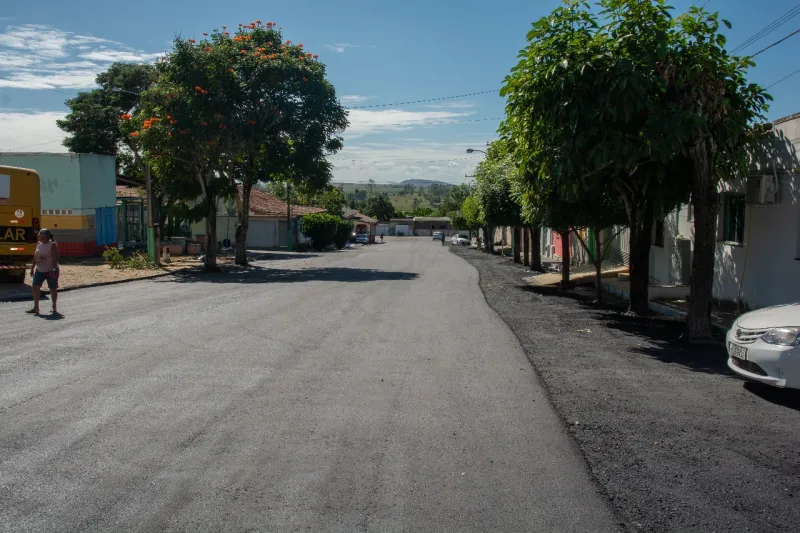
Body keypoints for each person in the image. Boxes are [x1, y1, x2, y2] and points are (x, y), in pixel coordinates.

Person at [27, 228, 60, 316]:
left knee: (52, 288)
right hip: (40, 269)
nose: (37, 236)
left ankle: (54, 307)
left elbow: (55, 258)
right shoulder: (38, 244)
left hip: (50, 270)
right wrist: (32, 268)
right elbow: (35, 257)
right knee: (35, 286)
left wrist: (53, 270)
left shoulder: (52, 244)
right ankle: (36, 307)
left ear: (44, 236)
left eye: (39, 234)